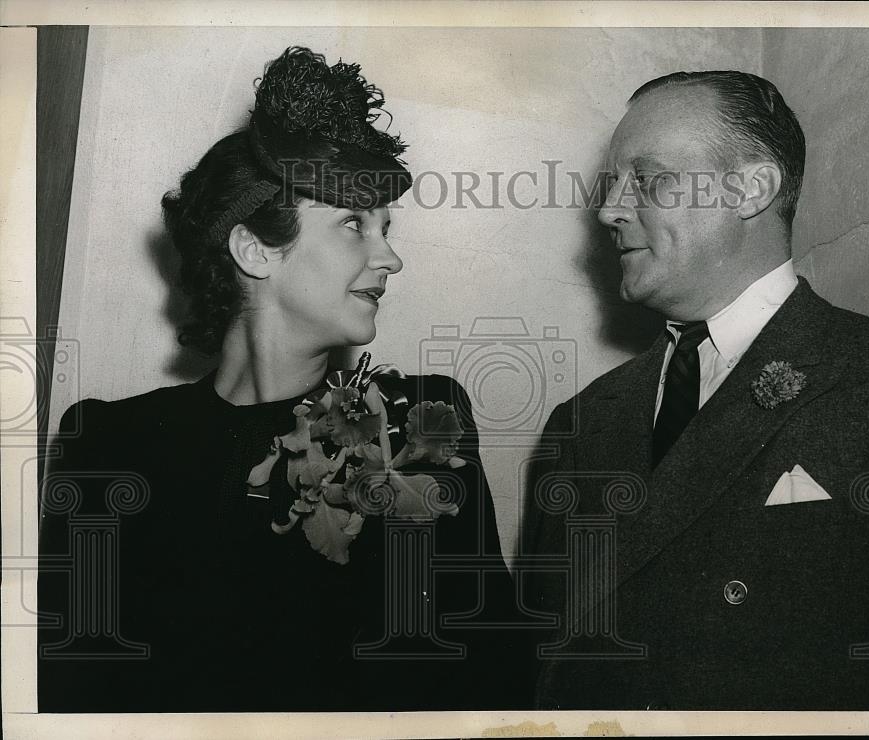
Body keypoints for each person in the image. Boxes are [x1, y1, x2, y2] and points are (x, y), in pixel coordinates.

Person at [38, 46, 527, 712]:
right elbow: (71, 686)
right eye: (354, 224)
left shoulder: (418, 417)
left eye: (387, 227)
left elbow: (485, 671)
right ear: (255, 248)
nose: (391, 256)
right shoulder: (106, 442)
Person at [521, 71, 869, 710]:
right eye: (612, 183)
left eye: (647, 179)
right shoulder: (581, 422)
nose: (609, 210)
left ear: (751, 189)